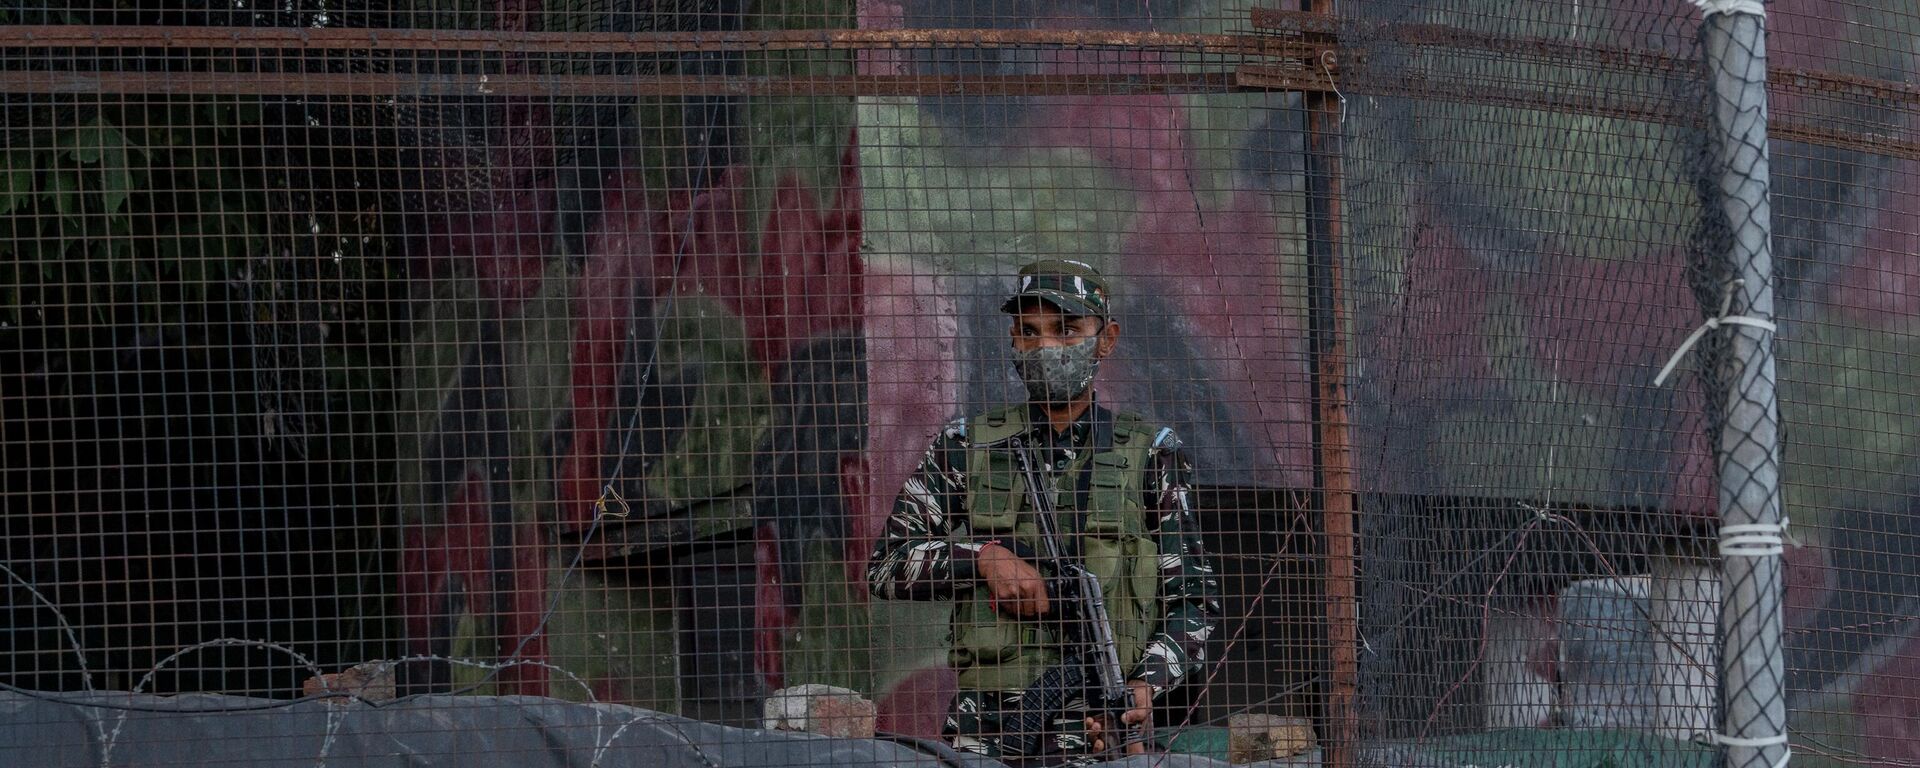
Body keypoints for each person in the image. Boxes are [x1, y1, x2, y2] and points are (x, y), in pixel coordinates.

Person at [866, 259, 1220, 765]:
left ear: (1107, 339)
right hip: (986, 731)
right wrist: (984, 557)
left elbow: (1193, 599)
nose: (1046, 347)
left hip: (1103, 729)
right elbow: (886, 565)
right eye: (1028, 332)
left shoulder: (1151, 455)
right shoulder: (965, 446)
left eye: (1067, 329)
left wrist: (1145, 686)